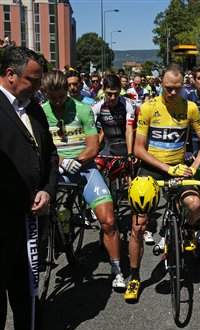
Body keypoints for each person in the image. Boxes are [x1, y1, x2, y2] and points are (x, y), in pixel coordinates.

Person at [125, 64, 200, 302]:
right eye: (167, 88)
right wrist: (167, 168)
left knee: (194, 205)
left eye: (176, 88)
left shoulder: (190, 108)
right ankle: (134, 277)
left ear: (184, 86)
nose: (172, 93)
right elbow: (138, 149)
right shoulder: (149, 108)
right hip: (152, 168)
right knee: (138, 226)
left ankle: (190, 232)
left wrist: (193, 168)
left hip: (179, 168)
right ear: (160, 85)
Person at [40, 70, 126, 292]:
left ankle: (117, 270)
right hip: (55, 168)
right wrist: (60, 162)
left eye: (62, 96)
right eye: (54, 98)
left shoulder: (82, 109)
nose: (59, 102)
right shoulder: (41, 113)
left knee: (108, 220)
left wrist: (77, 160)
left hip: (84, 167)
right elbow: (41, 148)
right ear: (46, 93)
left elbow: (92, 145)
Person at [0, 46, 58, 330]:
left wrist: (47, 190)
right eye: (33, 80)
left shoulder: (34, 105)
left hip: (33, 220)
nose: (38, 88)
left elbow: (49, 155)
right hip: (4, 222)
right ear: (10, 75)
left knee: (27, 293)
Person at [92, 74, 136, 157]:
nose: (113, 97)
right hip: (107, 146)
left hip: (125, 144)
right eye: (109, 94)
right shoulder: (96, 107)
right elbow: (91, 132)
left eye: (116, 94)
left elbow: (129, 129)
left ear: (120, 90)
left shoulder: (128, 104)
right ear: (103, 90)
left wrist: (130, 153)